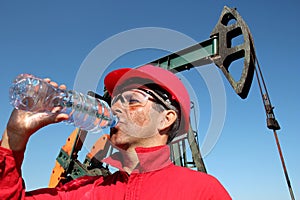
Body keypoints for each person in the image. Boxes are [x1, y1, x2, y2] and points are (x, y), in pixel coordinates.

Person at [0, 64, 231, 199]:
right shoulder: (87, 191)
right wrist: (14, 137)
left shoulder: (202, 190)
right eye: (115, 101)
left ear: (166, 119)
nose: (116, 107)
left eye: (132, 100)